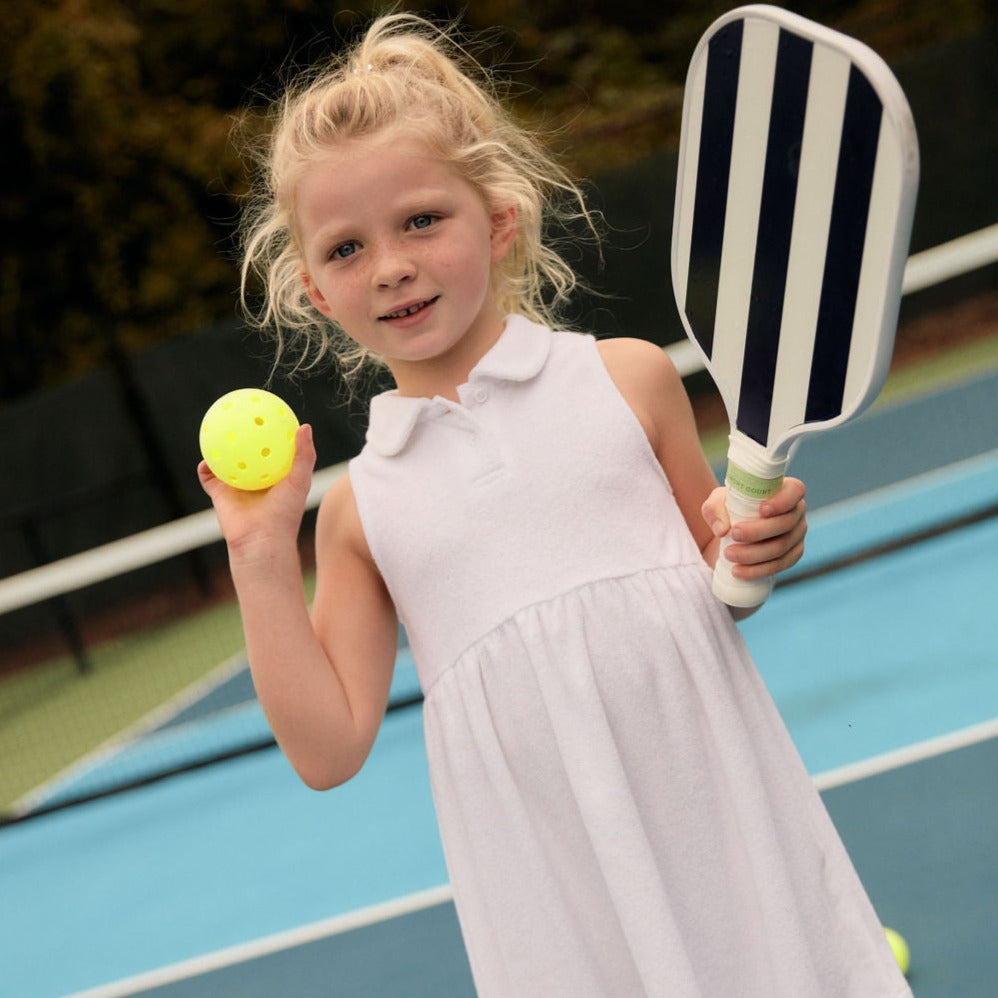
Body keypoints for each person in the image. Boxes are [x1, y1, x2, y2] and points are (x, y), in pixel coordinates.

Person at [201, 13, 911, 997]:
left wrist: (761, 542)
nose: (392, 265)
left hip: (724, 826)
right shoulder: (359, 510)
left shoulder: (625, 381)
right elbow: (326, 750)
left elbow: (726, 585)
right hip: (555, 903)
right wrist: (259, 554)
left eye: (420, 221)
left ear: (498, 222)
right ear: (318, 292)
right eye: (347, 247)